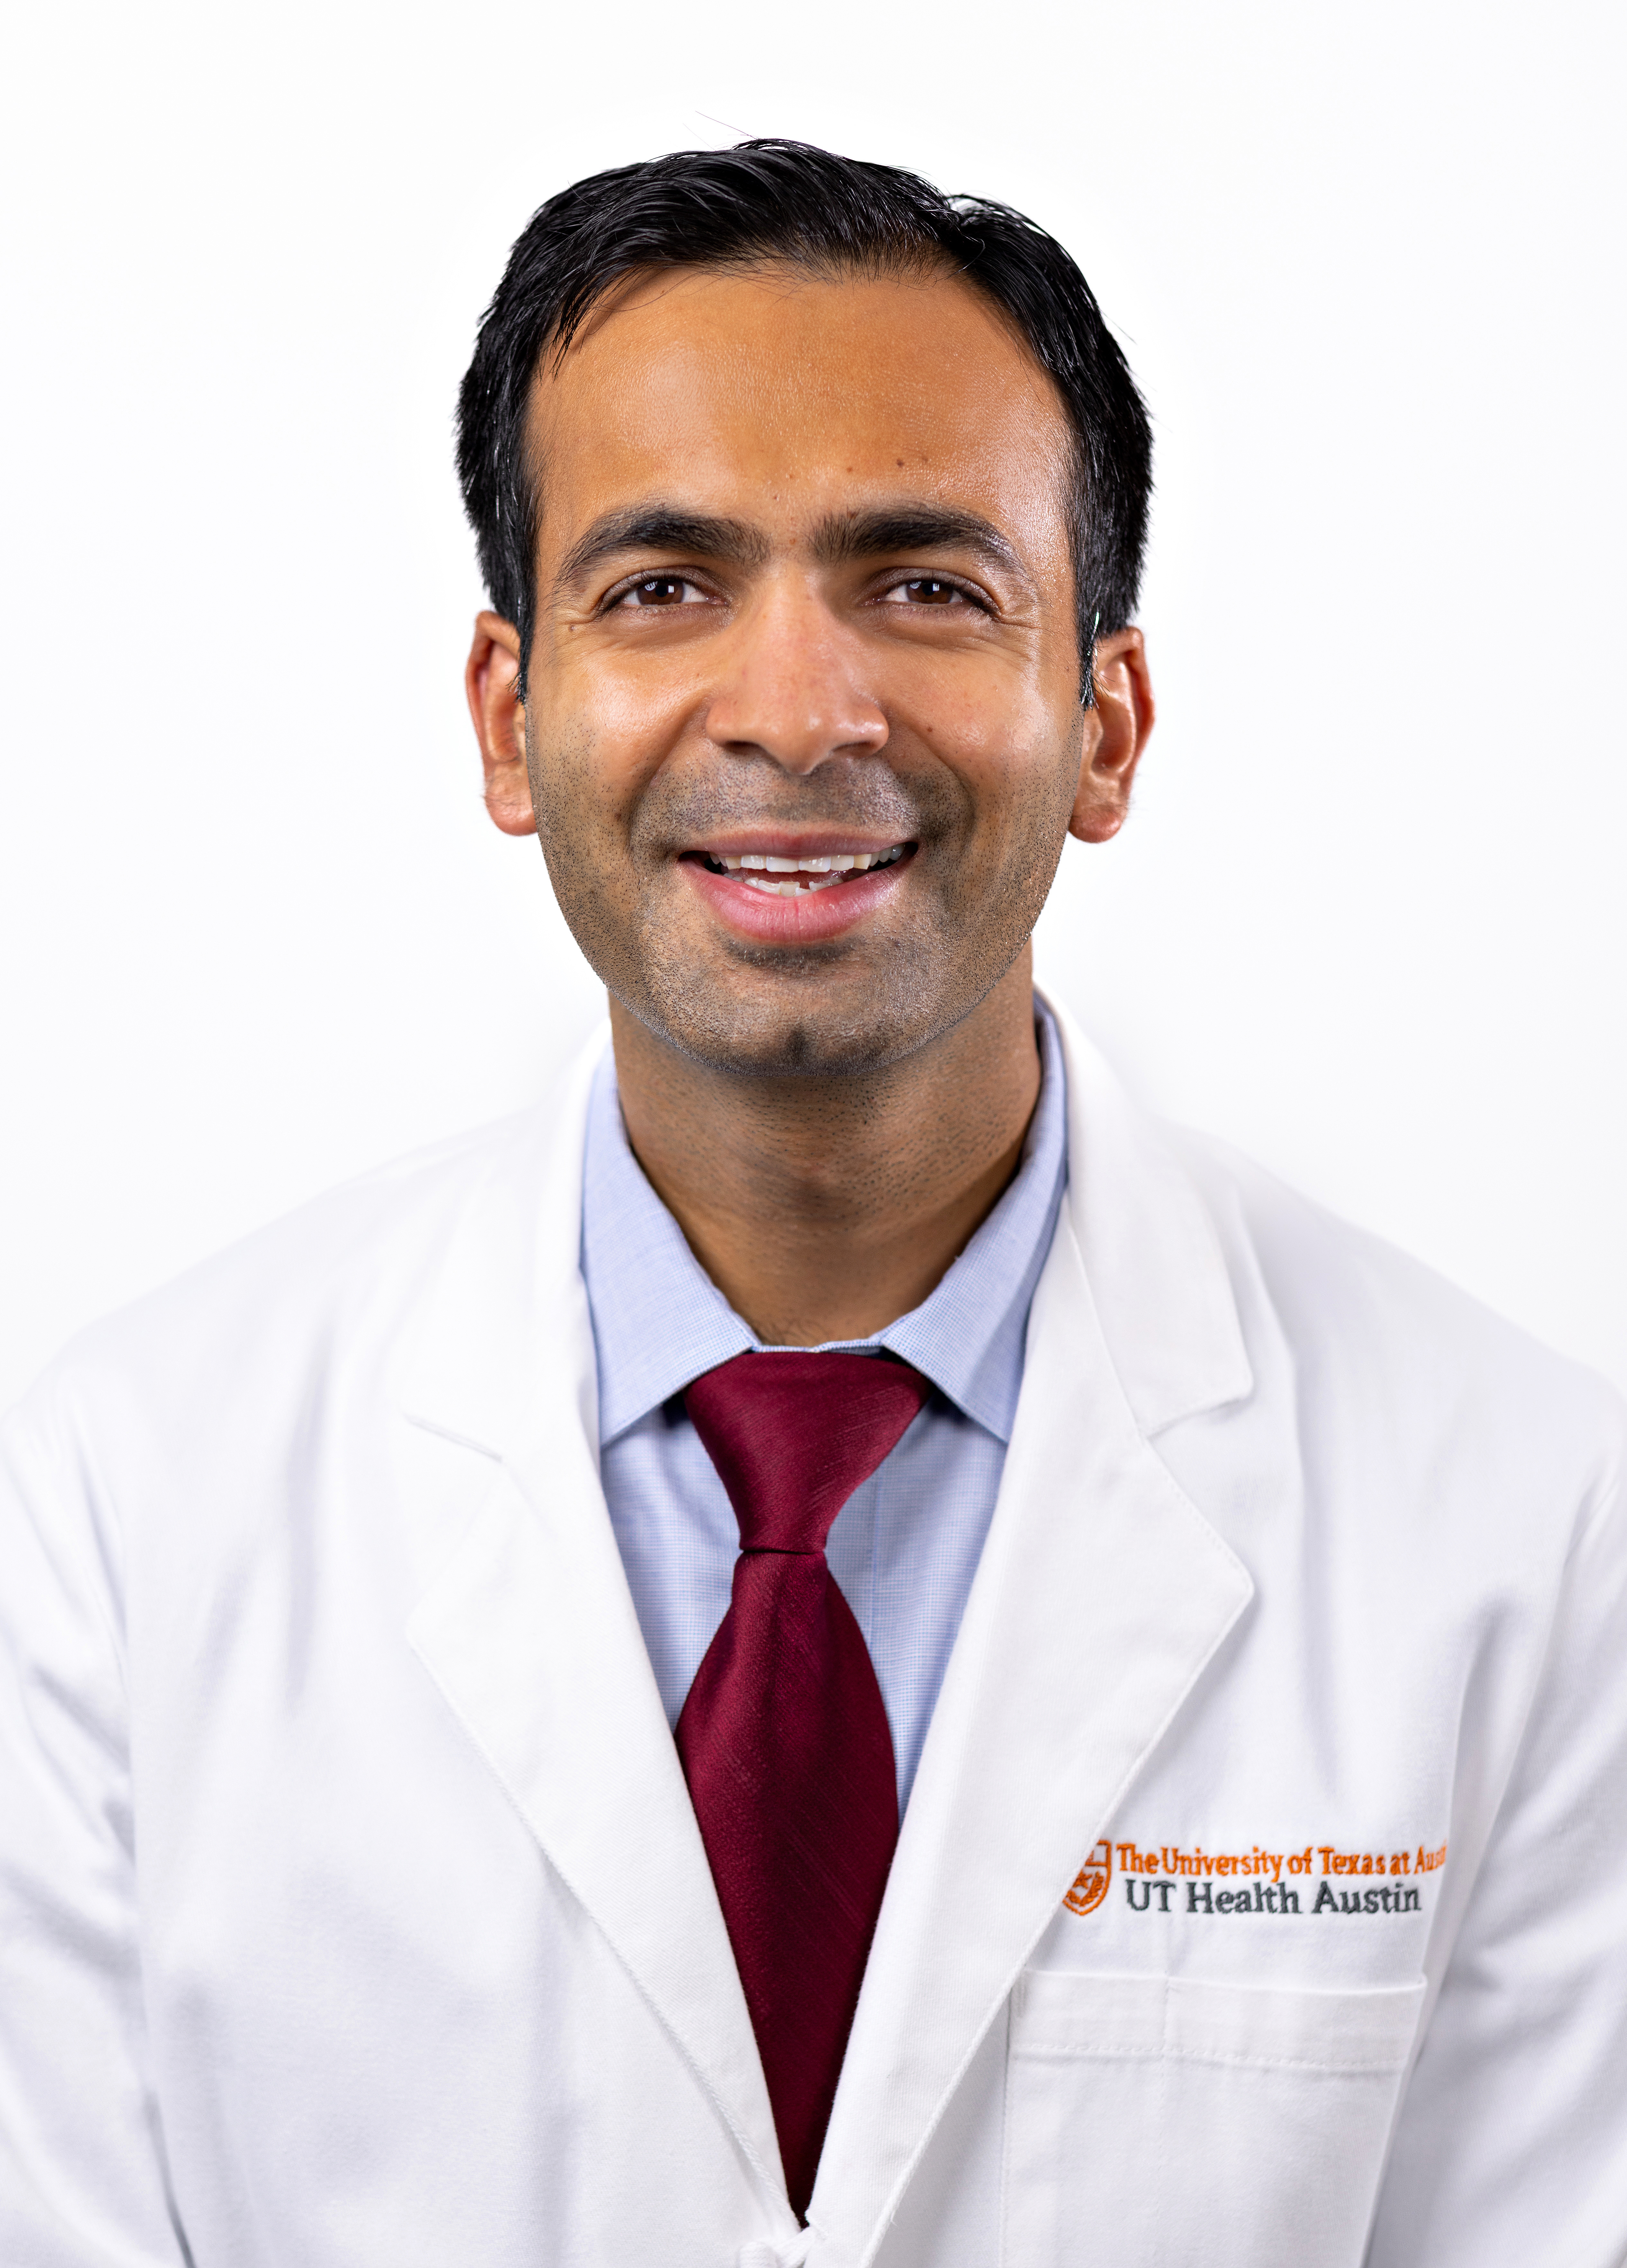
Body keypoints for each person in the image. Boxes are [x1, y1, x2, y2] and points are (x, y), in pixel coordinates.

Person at [1, 139, 1623, 2268]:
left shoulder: (1521, 1518)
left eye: (926, 584)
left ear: (1104, 721)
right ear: (513, 720)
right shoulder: (120, 1506)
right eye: (662, 585)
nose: (796, 714)